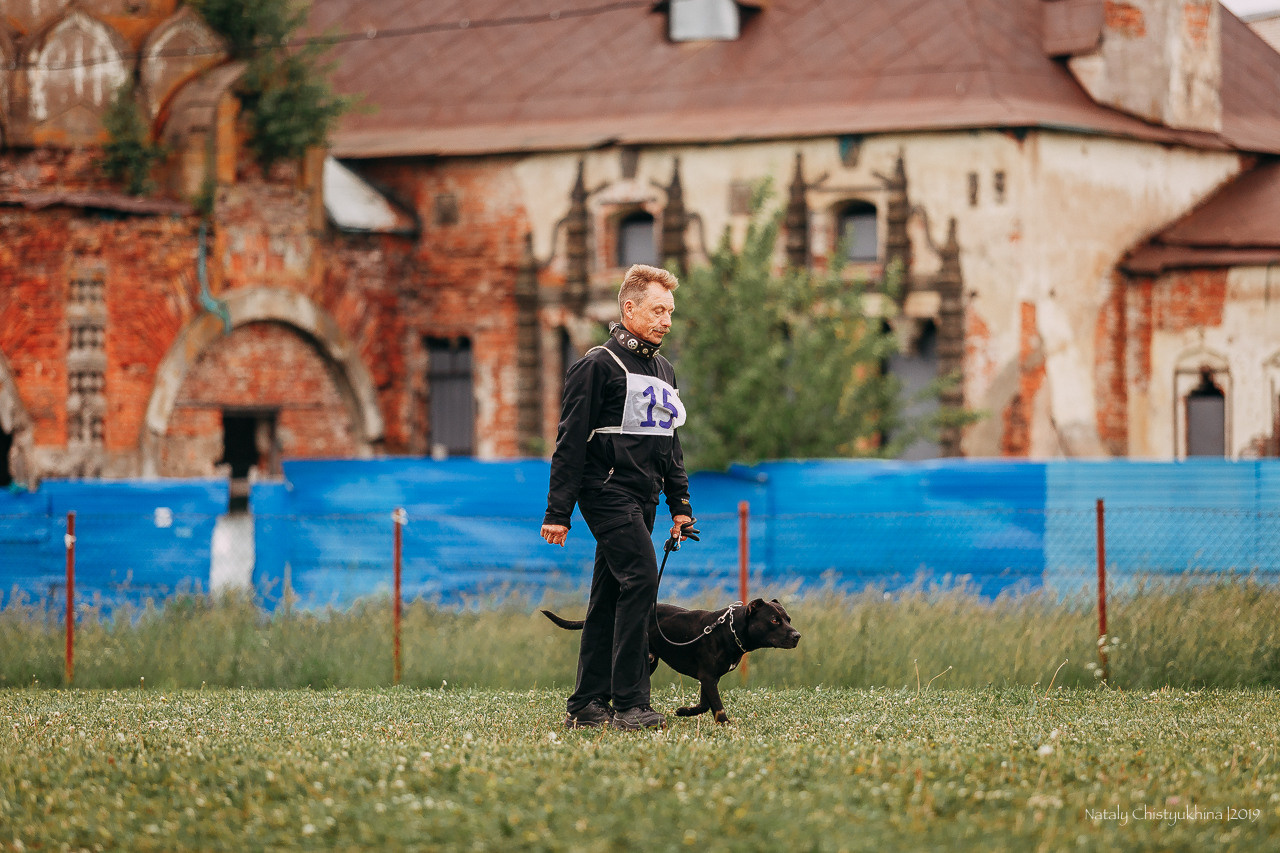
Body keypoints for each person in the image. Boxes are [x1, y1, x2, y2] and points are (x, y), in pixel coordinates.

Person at [541, 263, 695, 731]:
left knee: (609, 593)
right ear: (629, 308)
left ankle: (586, 705)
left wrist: (680, 505)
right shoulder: (597, 365)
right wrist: (558, 512)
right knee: (642, 579)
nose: (666, 320)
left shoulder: (664, 369)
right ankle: (630, 704)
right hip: (605, 492)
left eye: (670, 312)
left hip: (644, 497)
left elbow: (670, 443)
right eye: (657, 310)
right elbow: (569, 443)